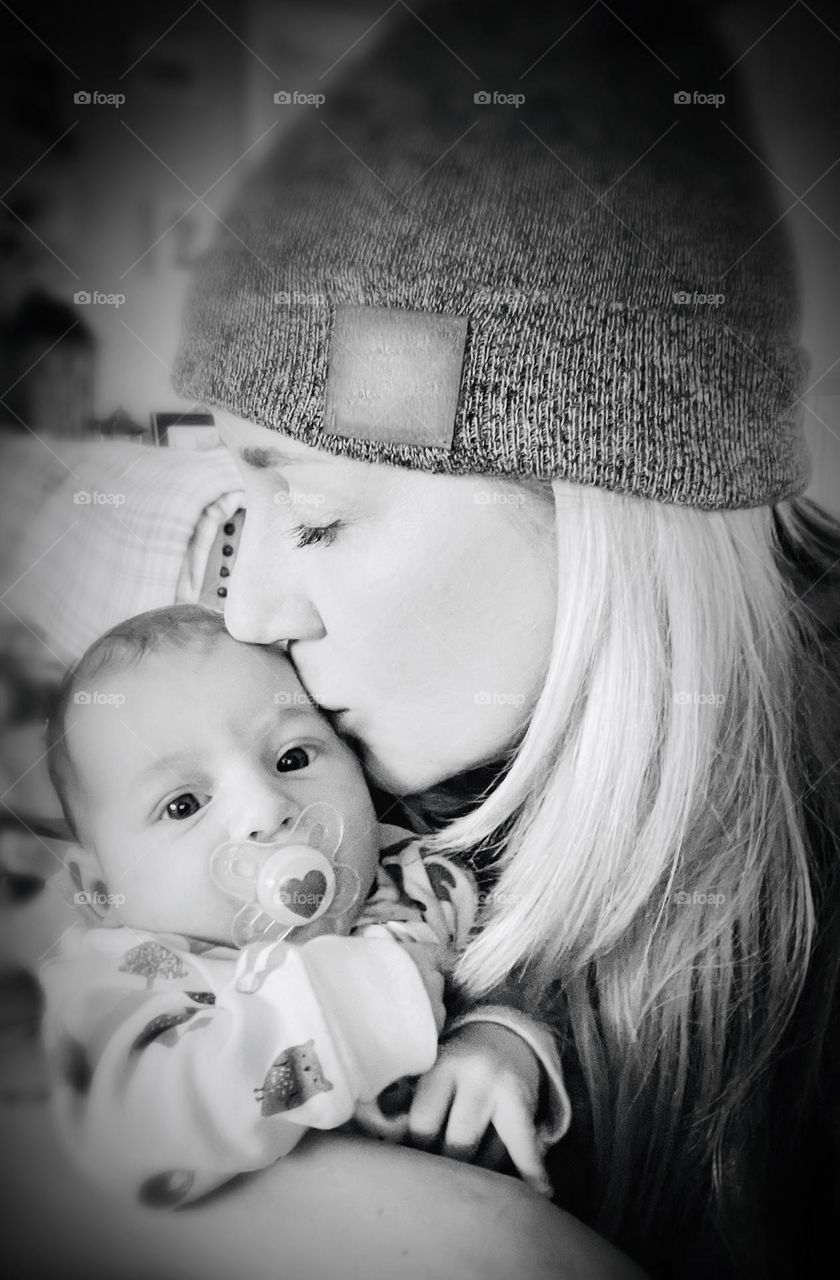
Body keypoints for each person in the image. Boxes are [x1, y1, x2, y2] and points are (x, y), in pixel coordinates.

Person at [164, 2, 840, 1278]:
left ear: (596, 511)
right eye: (238, 511)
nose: (251, 614)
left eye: (308, 517)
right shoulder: (347, 766)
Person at [40, 603, 569, 1206]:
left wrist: (500, 1044)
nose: (266, 810)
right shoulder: (125, 982)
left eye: (292, 759)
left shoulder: (421, 882)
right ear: (104, 889)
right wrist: (363, 1009)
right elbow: (131, 1135)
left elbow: (529, 986)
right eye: (184, 804)